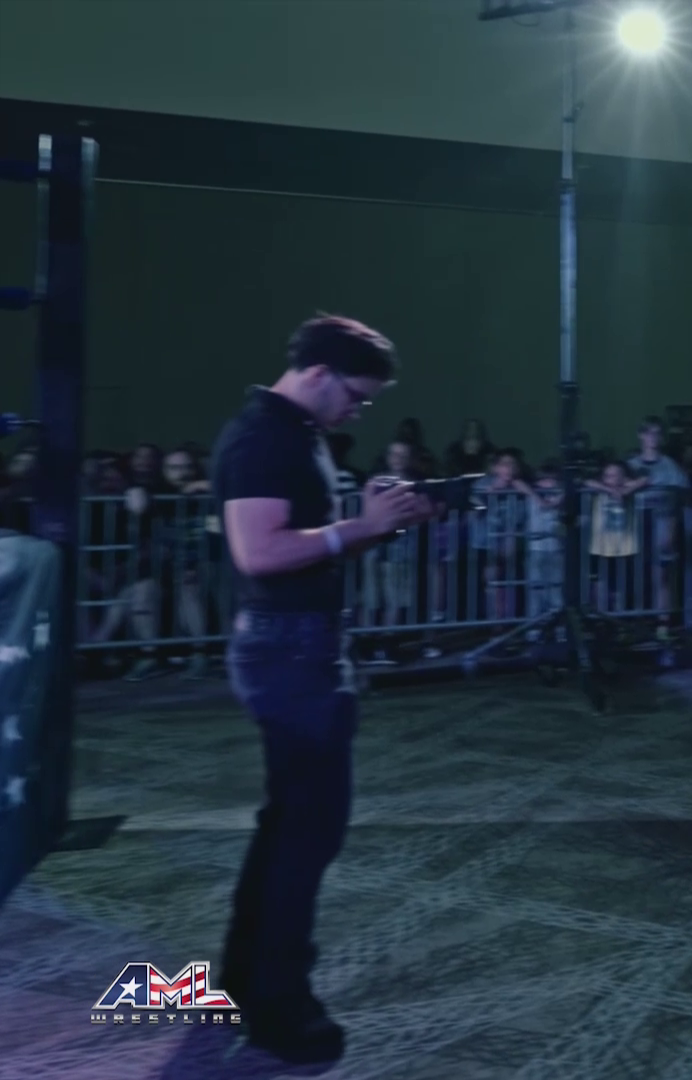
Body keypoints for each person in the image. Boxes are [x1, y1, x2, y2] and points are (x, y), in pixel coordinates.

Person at [211, 315, 434, 1063]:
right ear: (317, 374)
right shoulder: (264, 438)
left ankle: (243, 981)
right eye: (356, 396)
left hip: (294, 646)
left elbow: (299, 540)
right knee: (307, 831)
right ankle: (279, 1005)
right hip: (290, 652)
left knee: (289, 826)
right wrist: (362, 527)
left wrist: (375, 522)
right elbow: (259, 550)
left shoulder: (289, 433)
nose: (358, 412)